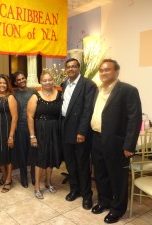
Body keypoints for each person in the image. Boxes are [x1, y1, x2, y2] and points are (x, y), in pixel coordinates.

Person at [90, 59, 142, 224]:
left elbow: (135, 120)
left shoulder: (128, 90)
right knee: (100, 174)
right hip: (96, 138)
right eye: (101, 70)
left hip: (117, 143)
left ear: (116, 72)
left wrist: (129, 145)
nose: (103, 73)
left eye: (107, 70)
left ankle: (118, 209)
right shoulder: (97, 91)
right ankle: (104, 201)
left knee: (117, 177)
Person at [61, 58, 97, 210]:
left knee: (82, 164)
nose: (71, 69)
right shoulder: (64, 84)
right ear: (65, 69)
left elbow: (88, 110)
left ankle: (87, 195)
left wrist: (82, 131)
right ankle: (75, 189)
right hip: (65, 129)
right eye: (68, 67)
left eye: (74, 66)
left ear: (79, 68)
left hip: (79, 131)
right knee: (70, 163)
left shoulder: (88, 84)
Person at [27, 71, 62, 199]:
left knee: (51, 156)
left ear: (53, 80)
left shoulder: (59, 94)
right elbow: (30, 117)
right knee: (40, 158)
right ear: (40, 82)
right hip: (40, 130)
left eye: (49, 80)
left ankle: (48, 181)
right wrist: (32, 136)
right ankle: (37, 186)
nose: (47, 82)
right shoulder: (35, 96)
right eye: (44, 80)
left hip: (55, 130)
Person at [0, 74, 18, 193]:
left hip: (7, 131)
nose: (2, 85)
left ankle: (8, 179)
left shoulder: (10, 97)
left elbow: (14, 117)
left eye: (4, 83)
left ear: (7, 84)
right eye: (0, 83)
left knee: (8, 156)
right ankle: (4, 175)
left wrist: (11, 136)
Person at [13, 71, 36, 188]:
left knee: (33, 152)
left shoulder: (33, 91)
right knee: (22, 154)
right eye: (19, 80)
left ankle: (33, 176)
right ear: (15, 82)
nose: (22, 81)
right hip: (20, 127)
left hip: (33, 127)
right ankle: (23, 177)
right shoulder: (14, 93)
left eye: (23, 78)